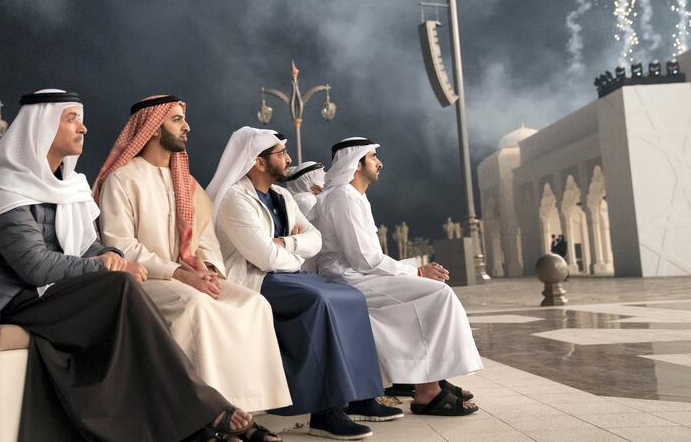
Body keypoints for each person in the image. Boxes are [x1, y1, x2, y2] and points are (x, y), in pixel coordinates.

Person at [0, 89, 254, 442]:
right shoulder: (6, 188)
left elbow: (87, 246)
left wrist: (112, 258)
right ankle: (202, 411)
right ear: (39, 128)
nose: (83, 128)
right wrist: (107, 266)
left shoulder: (69, 186)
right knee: (120, 288)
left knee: (126, 301)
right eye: (71, 119)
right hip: (14, 299)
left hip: (53, 293)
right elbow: (34, 268)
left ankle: (188, 423)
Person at [96, 95, 290, 440]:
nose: (186, 127)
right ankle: (204, 417)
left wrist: (208, 267)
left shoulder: (187, 183)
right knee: (197, 307)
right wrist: (181, 273)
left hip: (190, 276)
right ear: (153, 128)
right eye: (176, 120)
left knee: (253, 304)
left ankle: (241, 412)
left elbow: (205, 237)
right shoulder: (123, 180)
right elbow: (122, 245)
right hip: (145, 280)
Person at [209, 127, 402, 441]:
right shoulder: (235, 198)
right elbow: (265, 258)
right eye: (281, 154)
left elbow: (315, 239)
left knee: (350, 296)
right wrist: (290, 250)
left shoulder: (282, 196)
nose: (288, 159)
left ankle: (361, 396)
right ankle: (326, 412)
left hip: (285, 274)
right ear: (259, 162)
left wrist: (285, 244)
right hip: (254, 280)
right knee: (320, 301)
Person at [311, 137, 483, 416]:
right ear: (356, 163)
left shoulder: (353, 196)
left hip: (359, 275)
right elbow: (363, 259)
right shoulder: (343, 196)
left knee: (431, 291)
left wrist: (415, 271)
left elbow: (367, 258)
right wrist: (416, 270)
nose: (380, 163)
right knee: (436, 294)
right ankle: (427, 391)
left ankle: (432, 379)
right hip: (348, 279)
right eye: (373, 157)